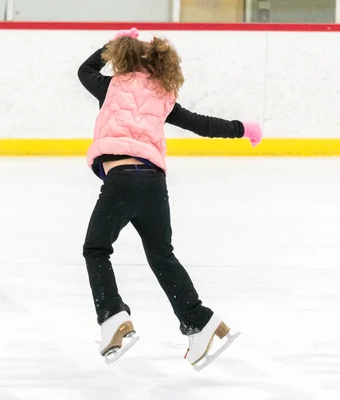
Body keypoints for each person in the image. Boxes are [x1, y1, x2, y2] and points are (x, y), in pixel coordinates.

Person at [78, 28, 262, 368]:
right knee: (161, 254)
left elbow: (84, 71)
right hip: (153, 183)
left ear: (125, 54)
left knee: (96, 249)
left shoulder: (111, 86)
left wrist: (108, 44)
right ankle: (199, 320)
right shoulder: (163, 95)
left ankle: (113, 317)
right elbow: (202, 124)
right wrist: (242, 128)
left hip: (121, 180)